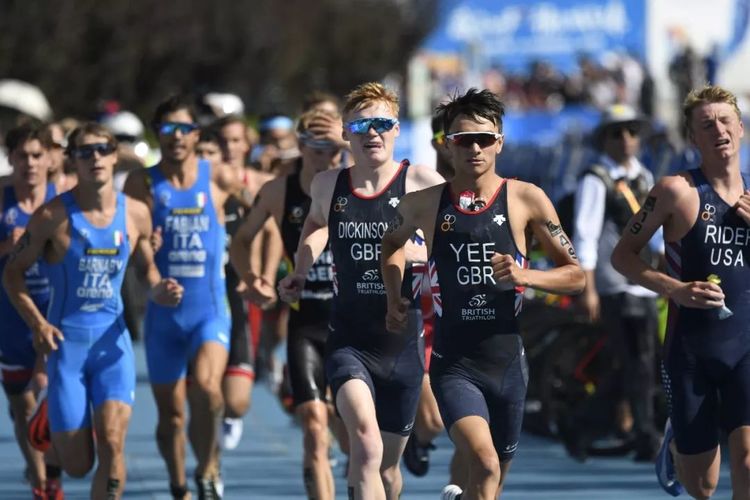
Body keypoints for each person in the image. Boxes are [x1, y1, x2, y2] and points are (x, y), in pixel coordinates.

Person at [381, 88, 585, 499]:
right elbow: (390, 245)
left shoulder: (526, 198)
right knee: (485, 463)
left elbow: (575, 275)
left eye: (484, 139)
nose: (475, 148)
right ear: (447, 146)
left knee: (490, 483)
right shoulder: (422, 203)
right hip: (454, 364)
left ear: (500, 143)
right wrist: (393, 297)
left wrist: (528, 278)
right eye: (463, 140)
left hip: (508, 364)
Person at [278, 82, 443, 499]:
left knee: (387, 470)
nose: (373, 133)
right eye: (363, 124)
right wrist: (300, 268)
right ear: (346, 134)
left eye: (383, 123)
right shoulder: (329, 185)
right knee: (364, 447)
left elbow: (454, 237)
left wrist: (425, 249)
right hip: (350, 340)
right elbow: (317, 225)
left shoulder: (421, 181)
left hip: (403, 346)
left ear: (397, 130)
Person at [2, 122, 182, 499]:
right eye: (84, 152)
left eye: (102, 150)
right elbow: (12, 275)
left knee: (113, 444)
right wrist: (37, 323)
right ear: (72, 161)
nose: (95, 158)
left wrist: (159, 289)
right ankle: (51, 414)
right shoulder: (53, 217)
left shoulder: (136, 214)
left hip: (113, 347)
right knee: (77, 465)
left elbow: (146, 268)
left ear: (115, 157)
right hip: (66, 348)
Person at [612, 84, 750, 498]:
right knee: (702, 485)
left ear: (740, 129)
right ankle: (675, 447)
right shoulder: (675, 191)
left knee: (746, 459)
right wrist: (675, 290)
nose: (718, 131)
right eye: (706, 125)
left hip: (745, 346)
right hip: (691, 349)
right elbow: (624, 256)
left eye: (725, 121)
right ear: (693, 138)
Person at [123, 95, 238, 499]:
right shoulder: (141, 183)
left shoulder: (221, 177)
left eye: (184, 129)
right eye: (168, 129)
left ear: (196, 134)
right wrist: (153, 278)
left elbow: (263, 217)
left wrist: (256, 268)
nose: (176, 137)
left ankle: (208, 468)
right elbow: (137, 244)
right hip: (163, 314)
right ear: (158, 134)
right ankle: (177, 484)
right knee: (171, 416)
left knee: (208, 389)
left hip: (209, 310)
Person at [231, 108, 343, 499]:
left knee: (354, 437)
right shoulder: (280, 190)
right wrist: (253, 279)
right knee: (314, 424)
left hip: (353, 327)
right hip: (306, 325)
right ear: (300, 146)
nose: (327, 157)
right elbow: (242, 240)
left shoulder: (358, 185)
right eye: (317, 148)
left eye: (335, 148)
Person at [564, 103, 662, 462]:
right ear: (604, 140)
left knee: (643, 361)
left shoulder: (645, 176)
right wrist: (587, 286)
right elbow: (585, 234)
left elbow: (656, 231)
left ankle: (590, 424)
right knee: (635, 359)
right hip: (612, 281)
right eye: (617, 133)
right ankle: (644, 434)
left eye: (631, 132)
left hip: (644, 280)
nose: (625, 140)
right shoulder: (595, 178)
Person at [0, 124, 61, 499]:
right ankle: (39, 478)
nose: (30, 163)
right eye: (22, 156)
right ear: (10, 159)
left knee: (47, 394)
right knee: (22, 409)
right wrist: (7, 245)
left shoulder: (63, 199)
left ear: (49, 159)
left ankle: (49, 479)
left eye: (37, 155)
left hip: (53, 316)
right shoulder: (1, 200)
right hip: (10, 319)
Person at [402, 112, 452, 478]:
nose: (467, 148)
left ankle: (415, 436)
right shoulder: (414, 185)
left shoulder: (484, 193)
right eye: (453, 137)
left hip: (458, 320)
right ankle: (411, 436)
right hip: (414, 321)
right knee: (433, 420)